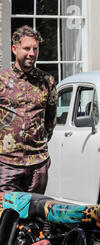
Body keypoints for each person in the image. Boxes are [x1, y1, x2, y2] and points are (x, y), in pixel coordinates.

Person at [0, 25, 57, 193]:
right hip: (6, 163)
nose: (31, 53)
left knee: (35, 216)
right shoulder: (2, 81)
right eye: (26, 48)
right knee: (6, 216)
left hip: (37, 164)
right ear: (14, 49)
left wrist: (41, 150)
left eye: (35, 48)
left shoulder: (47, 81)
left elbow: (50, 122)